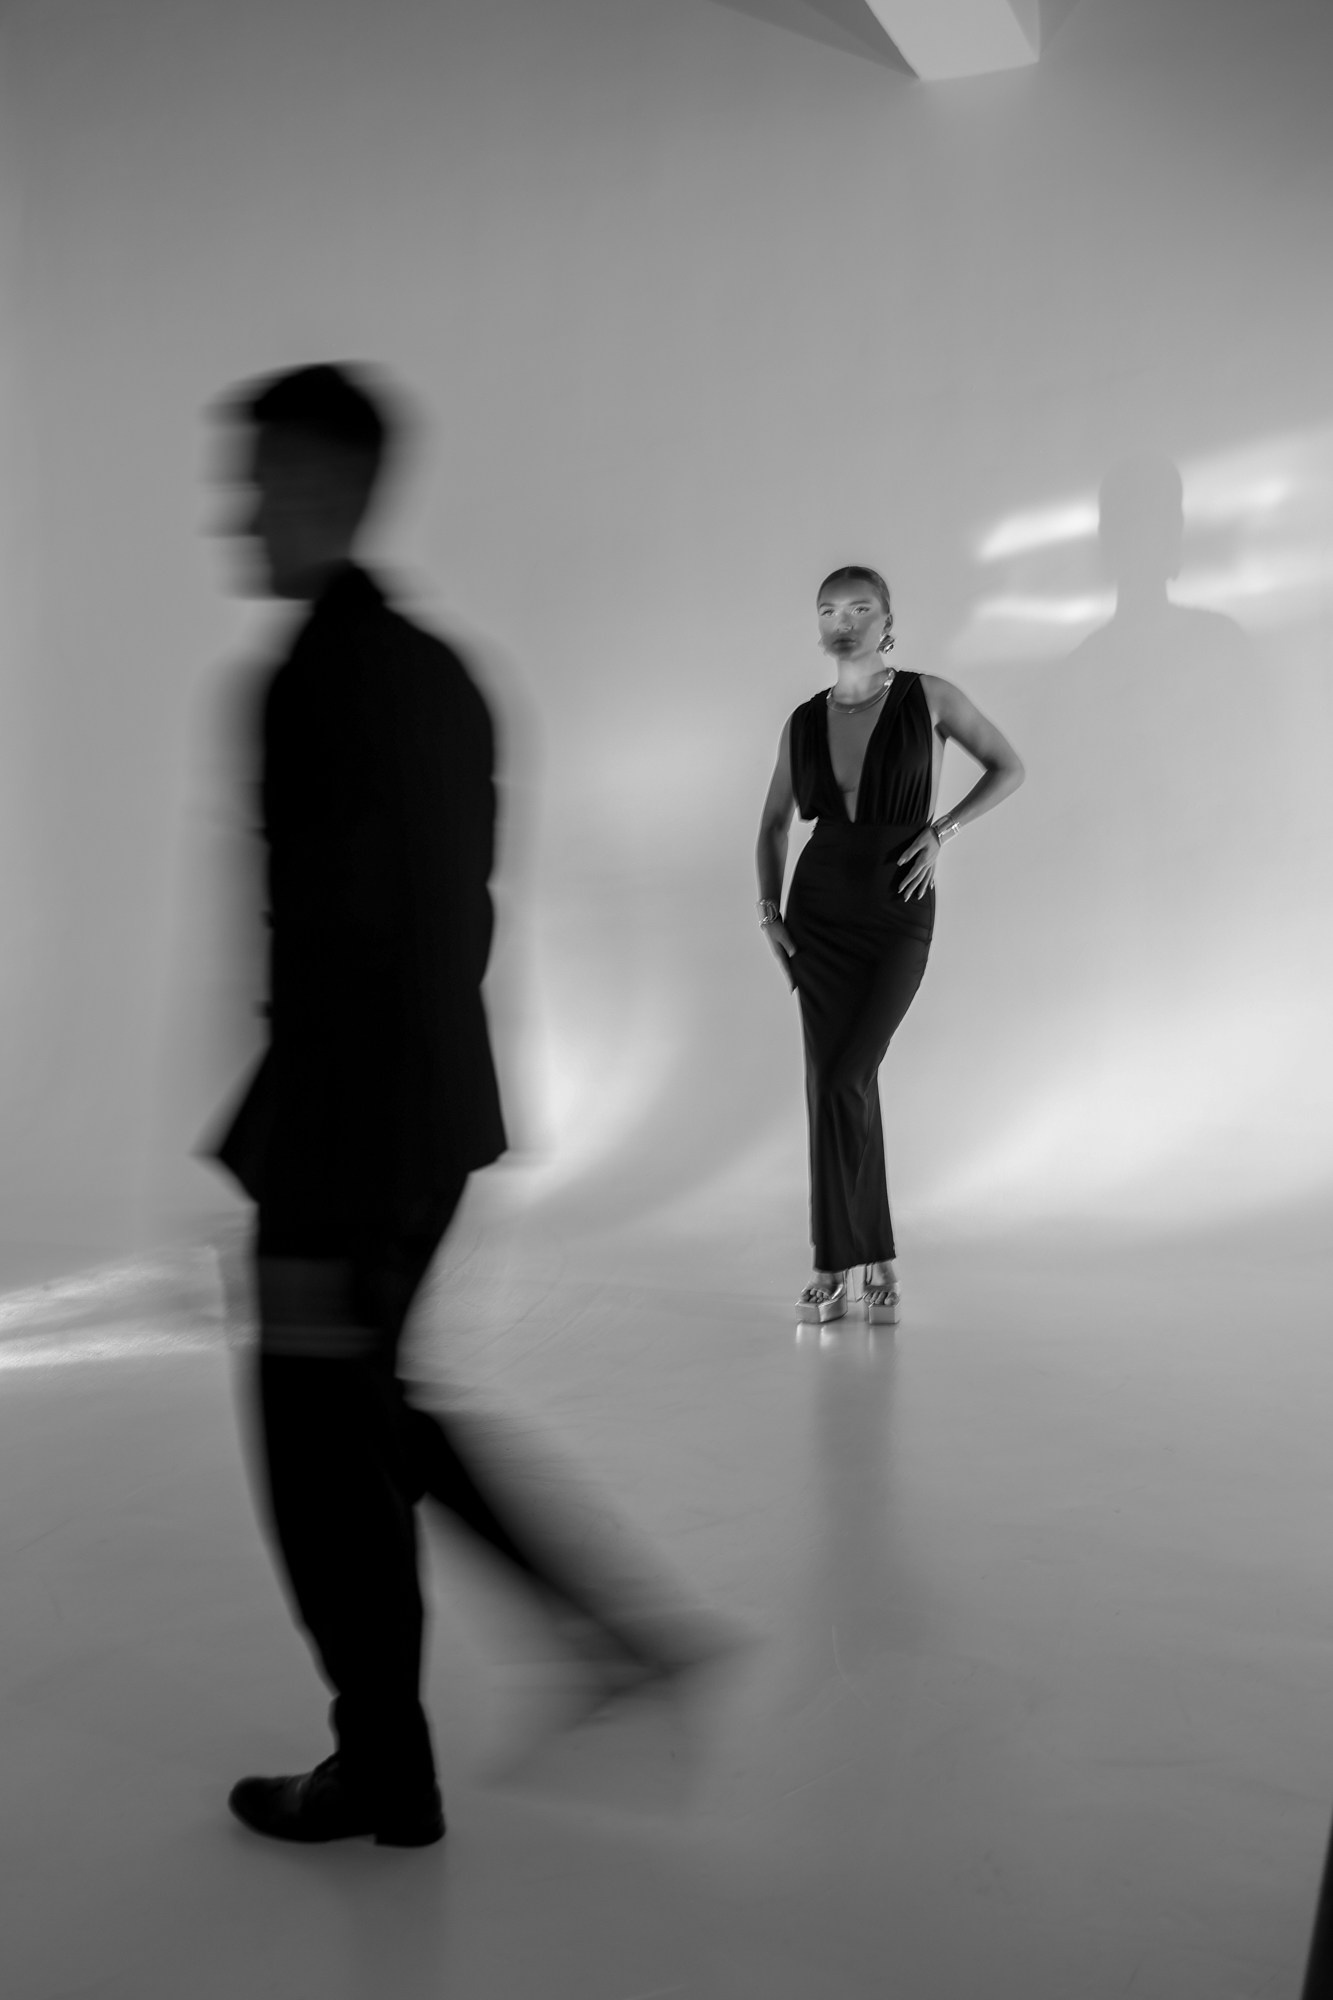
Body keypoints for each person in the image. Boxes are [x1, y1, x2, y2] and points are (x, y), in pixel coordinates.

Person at [209, 363, 717, 1850]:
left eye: (258, 483)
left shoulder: (309, 680)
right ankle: (588, 1635)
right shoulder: (444, 673)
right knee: (363, 1410)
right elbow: (451, 919)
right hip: (427, 1122)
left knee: (322, 1447)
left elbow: (335, 944)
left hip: (344, 1138)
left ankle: (397, 1757)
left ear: (328, 487)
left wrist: (303, 1171)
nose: (236, 514)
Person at [755, 566, 1024, 1326]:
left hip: (898, 909)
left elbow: (1008, 767)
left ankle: (851, 1255)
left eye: (860, 608)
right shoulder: (801, 722)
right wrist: (769, 912)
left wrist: (942, 831)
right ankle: (848, 1263)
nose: (843, 623)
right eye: (828, 611)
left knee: (846, 1074)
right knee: (834, 1083)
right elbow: (773, 824)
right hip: (817, 915)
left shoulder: (928, 697)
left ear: (887, 622)